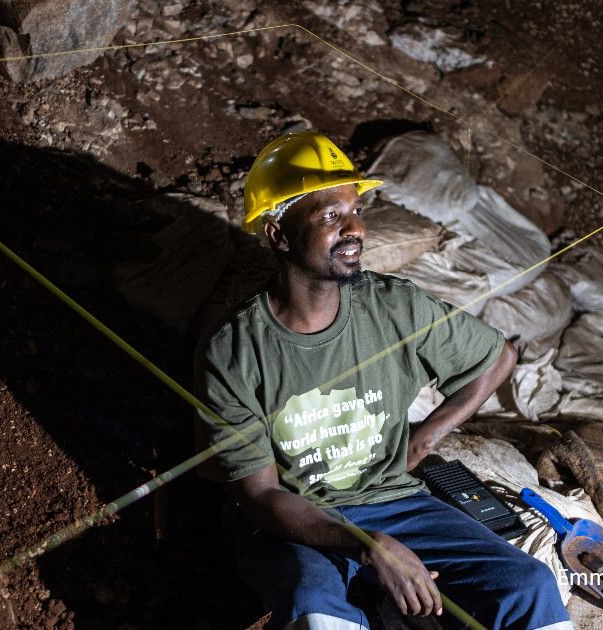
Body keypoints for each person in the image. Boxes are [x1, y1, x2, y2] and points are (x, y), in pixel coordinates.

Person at [194, 132, 572, 630]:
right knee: (320, 614)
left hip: (396, 501)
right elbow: (261, 498)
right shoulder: (233, 351)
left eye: (355, 212)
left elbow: (497, 358)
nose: (354, 229)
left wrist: (424, 439)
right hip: (298, 520)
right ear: (278, 235)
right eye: (330, 216)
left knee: (530, 586)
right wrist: (370, 548)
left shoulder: (393, 306)